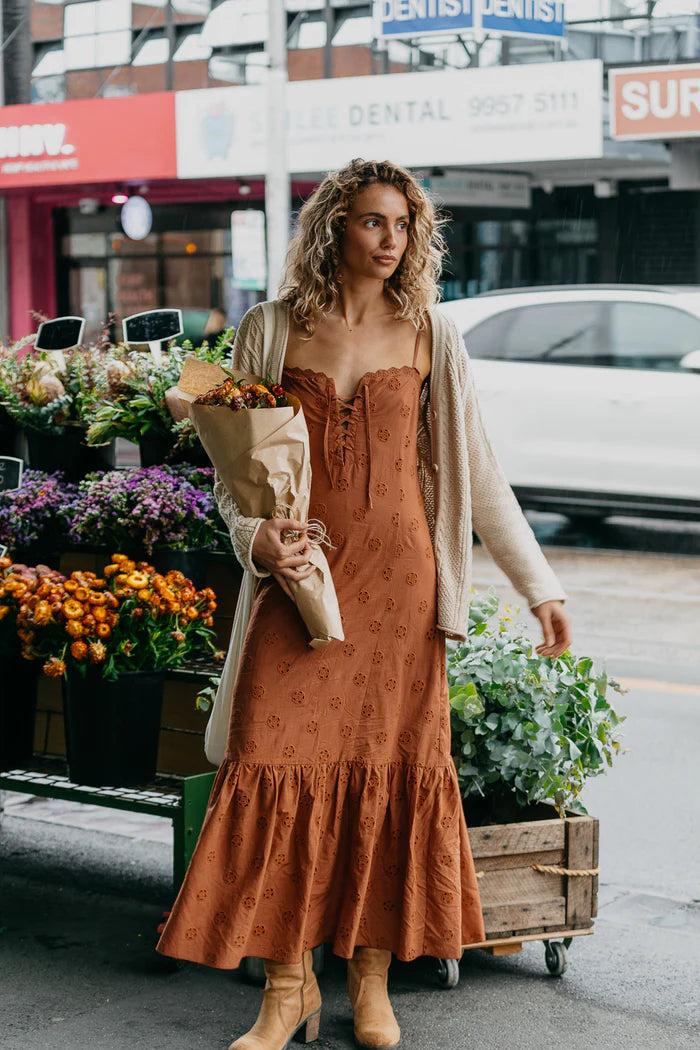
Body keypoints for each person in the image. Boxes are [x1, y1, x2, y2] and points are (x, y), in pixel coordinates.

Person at [157, 159, 571, 1050]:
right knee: (269, 763)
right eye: (374, 223)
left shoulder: (431, 335)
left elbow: (479, 473)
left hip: (400, 594)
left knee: (387, 780)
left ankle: (373, 980)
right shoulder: (270, 331)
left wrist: (542, 588)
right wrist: (254, 541)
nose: (392, 242)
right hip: (296, 586)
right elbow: (234, 474)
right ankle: (286, 987)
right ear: (334, 226)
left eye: (403, 226)